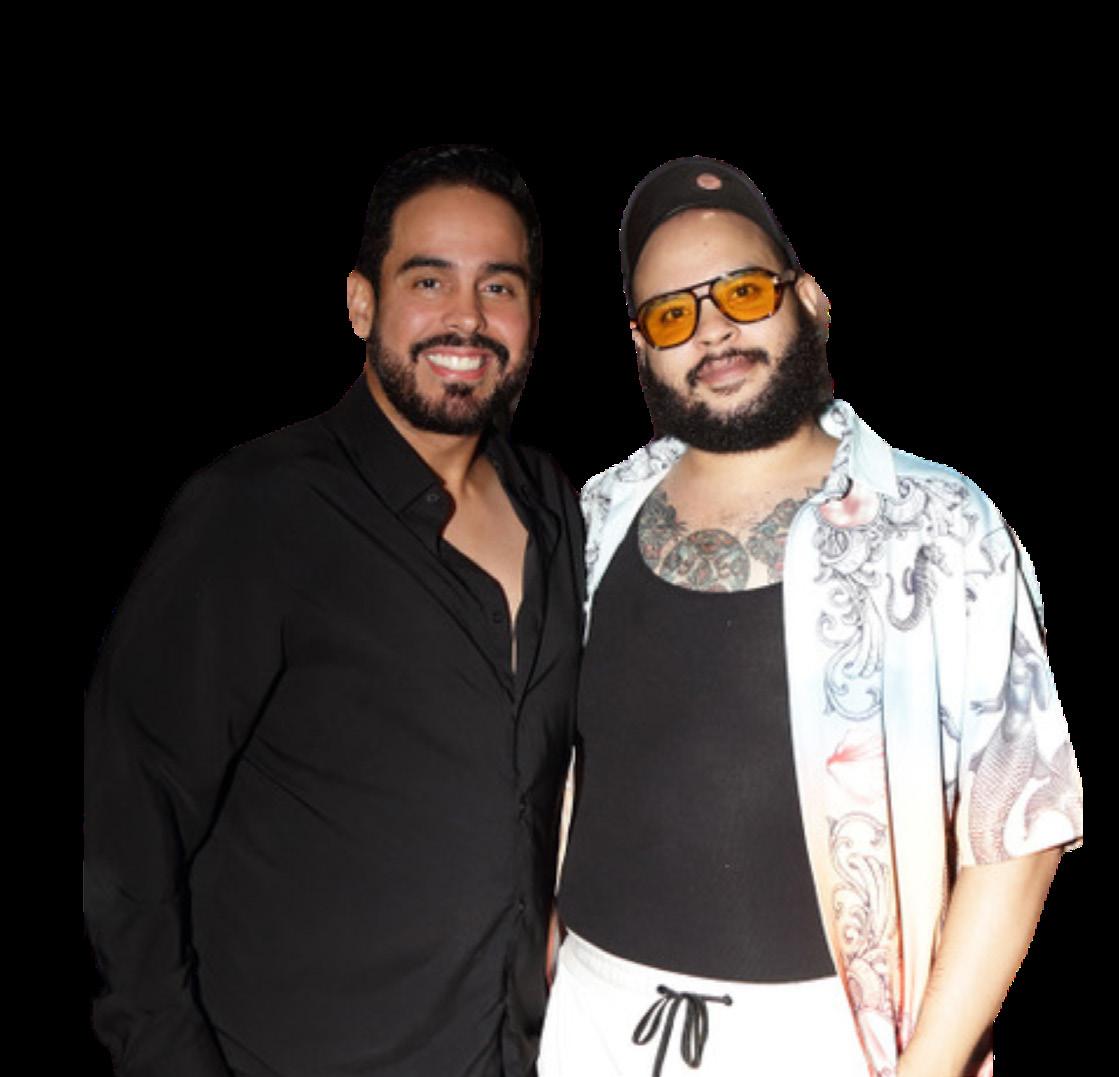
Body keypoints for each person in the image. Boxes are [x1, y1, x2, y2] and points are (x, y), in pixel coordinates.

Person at [541, 156, 1083, 1077]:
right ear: (640, 346)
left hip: (826, 1038)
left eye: (744, 291)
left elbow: (1018, 830)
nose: (712, 329)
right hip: (593, 1019)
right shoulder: (590, 516)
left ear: (809, 298)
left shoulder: (940, 524)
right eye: (671, 314)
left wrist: (930, 1066)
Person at [84, 144, 584, 1077]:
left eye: (499, 286)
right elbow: (128, 832)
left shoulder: (556, 509)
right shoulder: (255, 514)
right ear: (361, 302)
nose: (467, 317)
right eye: (428, 280)